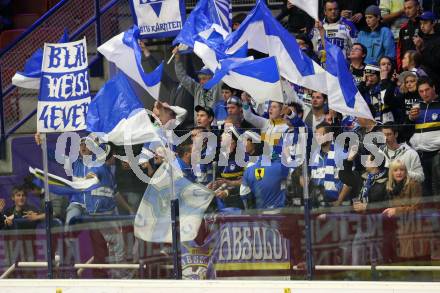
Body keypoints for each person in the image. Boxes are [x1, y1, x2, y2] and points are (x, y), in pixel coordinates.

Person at [408, 77, 440, 197]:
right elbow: (406, 129)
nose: (424, 94)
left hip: (437, 154)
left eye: (427, 90)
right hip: (420, 154)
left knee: (437, 189)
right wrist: (410, 118)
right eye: (421, 91)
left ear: (434, 88)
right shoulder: (416, 106)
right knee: (424, 191)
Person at [385, 159, 423, 259]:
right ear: (391, 173)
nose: (399, 172)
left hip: (411, 227)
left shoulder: (413, 184)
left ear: (405, 171)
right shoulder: (390, 187)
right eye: (395, 170)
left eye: (401, 170)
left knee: (410, 260)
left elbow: (417, 208)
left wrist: (396, 210)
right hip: (397, 227)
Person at [173, 47, 221, 123]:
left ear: (212, 78)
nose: (201, 81)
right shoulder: (197, 89)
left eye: (204, 78)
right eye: (200, 78)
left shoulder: (218, 87)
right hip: (199, 128)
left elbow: (222, 72)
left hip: (214, 128)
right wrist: (177, 59)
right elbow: (182, 76)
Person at [307, 122, 350, 207]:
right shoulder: (315, 154)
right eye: (316, 135)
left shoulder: (341, 153)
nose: (318, 137)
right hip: (317, 203)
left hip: (336, 204)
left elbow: (349, 181)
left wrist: (339, 201)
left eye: (321, 134)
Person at [413, 11, 440, 89]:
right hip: (420, 80)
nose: (422, 26)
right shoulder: (420, 39)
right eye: (421, 23)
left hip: (435, 83)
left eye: (425, 23)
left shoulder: (438, 41)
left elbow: (436, 64)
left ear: (433, 23)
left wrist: (422, 48)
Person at [397, 0, 422, 70]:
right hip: (407, 68)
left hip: (421, 67)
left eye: (409, 8)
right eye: (405, 8)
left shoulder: (424, 25)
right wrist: (399, 69)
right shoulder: (403, 28)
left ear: (417, 7)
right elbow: (400, 51)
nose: (407, 11)